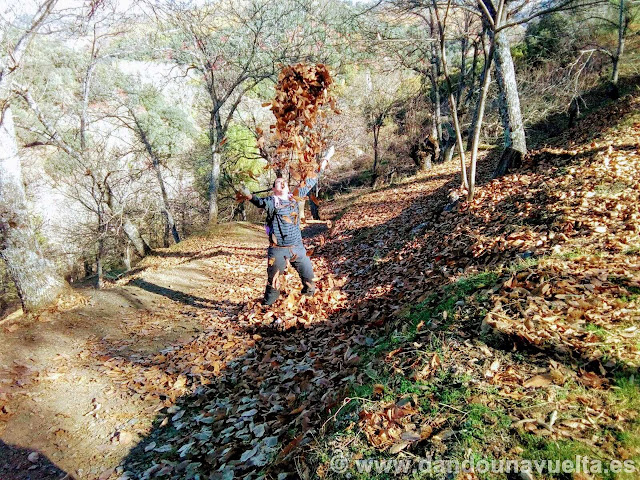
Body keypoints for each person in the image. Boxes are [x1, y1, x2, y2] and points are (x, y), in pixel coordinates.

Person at [238, 147, 334, 305]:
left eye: (284, 182)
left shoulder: (295, 198)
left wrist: (327, 157)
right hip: (278, 251)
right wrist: (248, 195)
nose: (281, 184)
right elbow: (259, 202)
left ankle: (306, 304)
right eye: (278, 183)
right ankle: (267, 308)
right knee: (273, 285)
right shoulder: (271, 202)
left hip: (297, 248)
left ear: (288, 188)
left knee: (310, 280)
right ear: (274, 189)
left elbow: (312, 178)